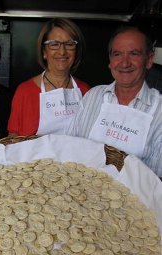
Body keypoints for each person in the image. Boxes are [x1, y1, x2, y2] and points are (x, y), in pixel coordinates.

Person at [69, 26, 162, 178]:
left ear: (149, 60)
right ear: (110, 62)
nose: (125, 63)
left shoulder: (160, 112)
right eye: (117, 54)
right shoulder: (92, 96)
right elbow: (70, 147)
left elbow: (158, 182)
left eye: (134, 54)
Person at [7, 18, 90, 137]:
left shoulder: (86, 91)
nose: (62, 52)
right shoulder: (25, 91)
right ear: (44, 52)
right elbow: (13, 138)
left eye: (69, 44)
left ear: (76, 51)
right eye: (54, 44)